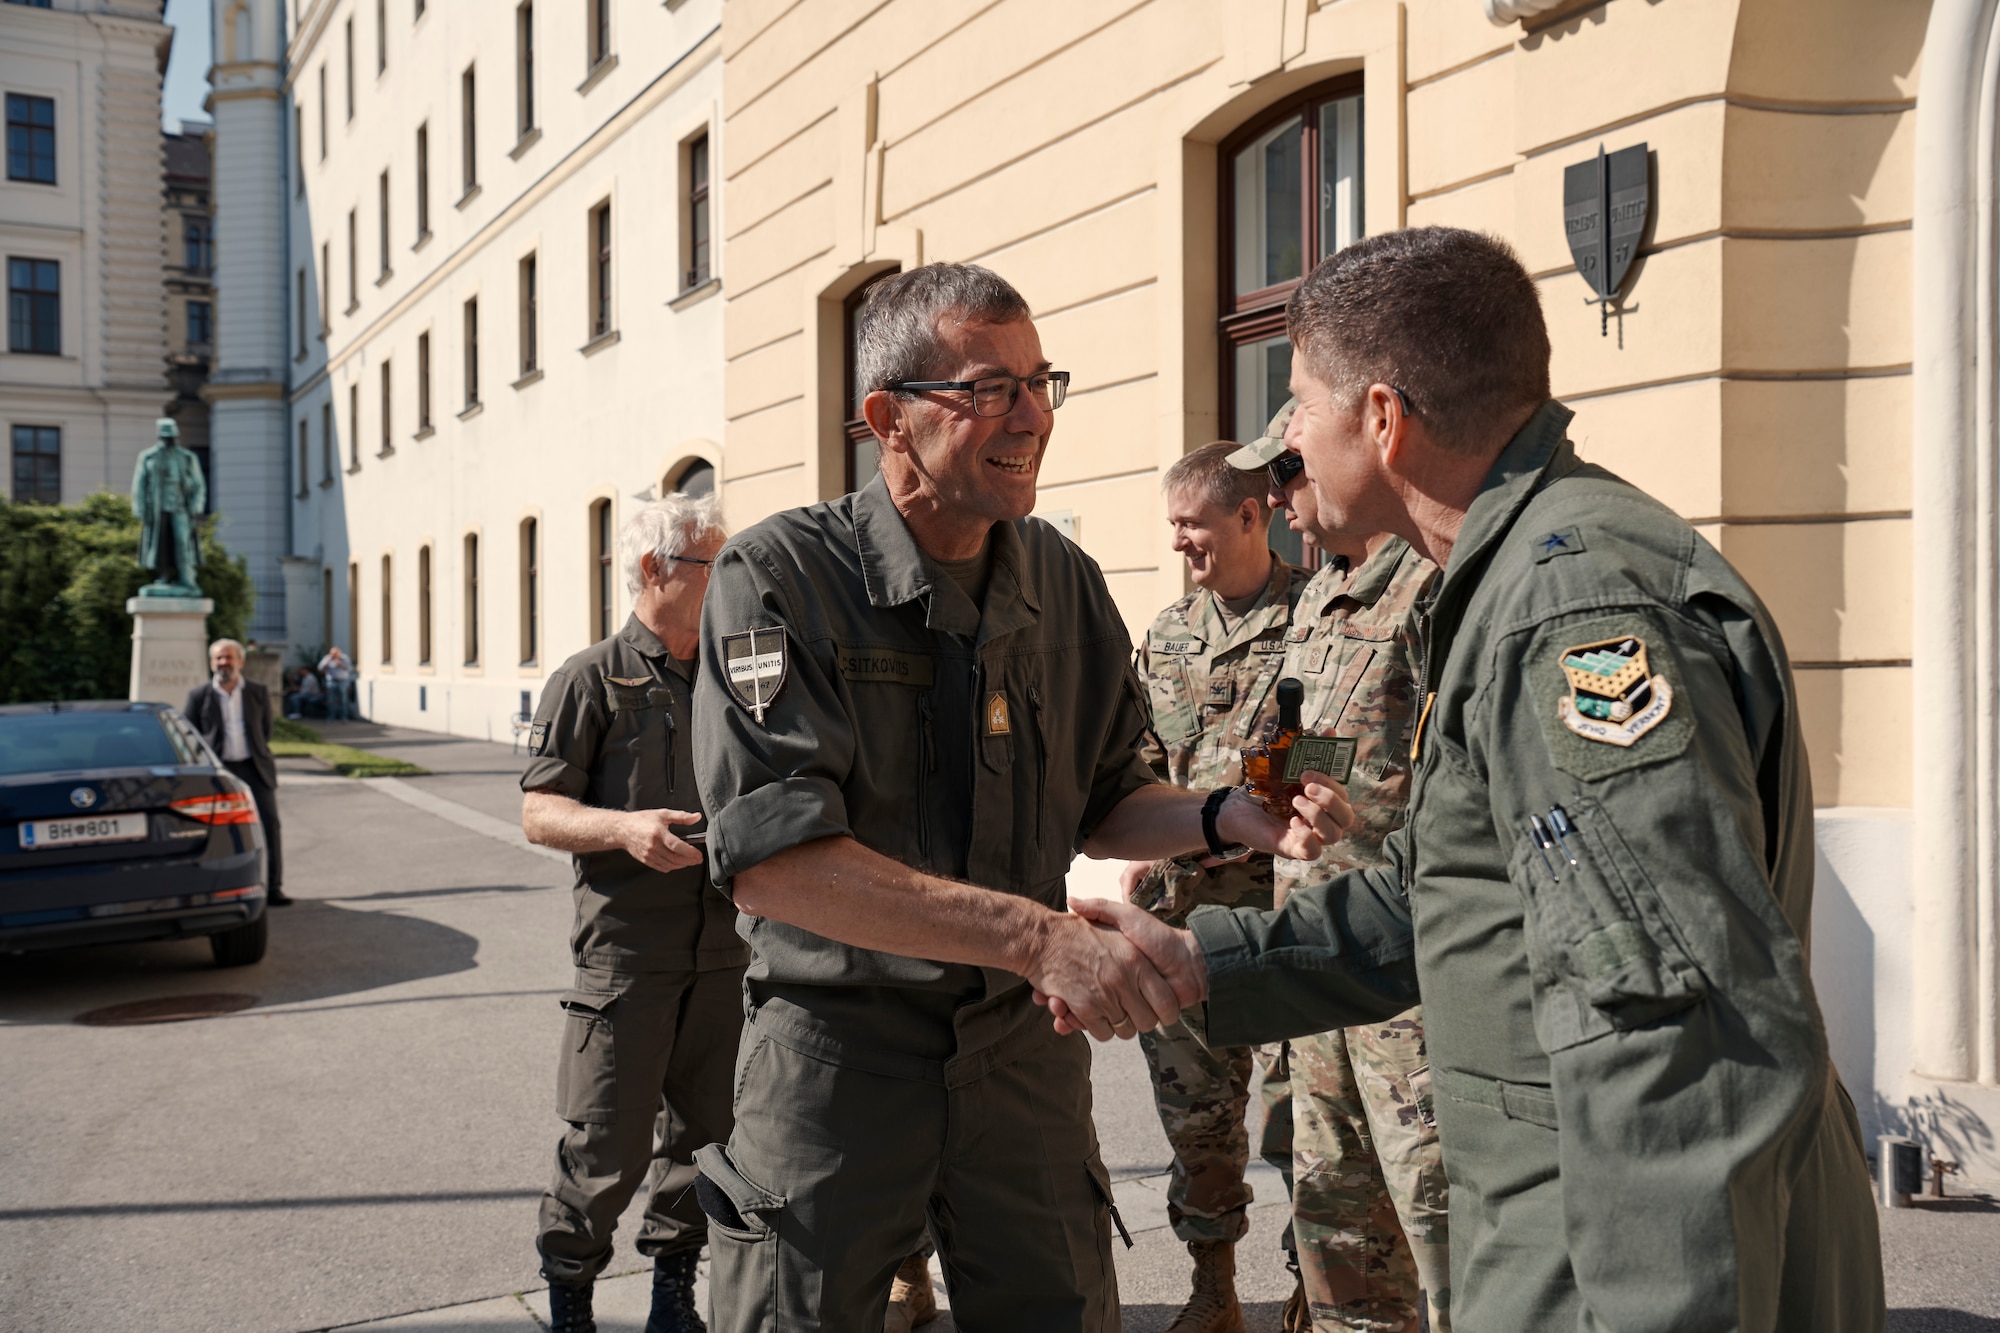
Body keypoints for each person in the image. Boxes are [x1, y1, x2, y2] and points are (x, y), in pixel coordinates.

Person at [1065, 227, 1886, 1330]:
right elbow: (1441, 890)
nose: (1290, 448)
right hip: (1561, 1240)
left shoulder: (1569, 611)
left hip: (1608, 1270)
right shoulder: (1507, 583)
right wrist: (1201, 958)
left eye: (1301, 410)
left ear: (1385, 421)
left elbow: (1674, 1040)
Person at [689, 262, 1346, 1333]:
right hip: (833, 1060)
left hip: (1020, 1055)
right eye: (987, 388)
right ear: (885, 418)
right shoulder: (778, 579)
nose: (1032, 416)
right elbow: (777, 861)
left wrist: (1224, 814)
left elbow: (1106, 799)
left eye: (1040, 382)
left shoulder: (1061, 580)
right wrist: (1039, 939)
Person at [1230, 402, 1451, 1330]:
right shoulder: (1319, 593)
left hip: (1403, 975)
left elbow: (1460, 788)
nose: (1278, 500)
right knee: (1332, 1217)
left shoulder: (1433, 587)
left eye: (1285, 473)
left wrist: (1367, 818)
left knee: (1438, 1221)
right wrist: (1267, 791)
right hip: (1316, 957)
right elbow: (1290, 739)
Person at [520, 493, 747, 1333]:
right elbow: (540, 812)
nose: (728, 578)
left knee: (704, 1139)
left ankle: (671, 1297)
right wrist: (624, 828)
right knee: (604, 1149)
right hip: (626, 960)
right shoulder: (589, 679)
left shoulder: (732, 675)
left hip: (724, 956)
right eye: (712, 564)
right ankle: (572, 1302)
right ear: (656, 570)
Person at [1122, 439, 1310, 1333]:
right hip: (1184, 923)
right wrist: (1150, 831)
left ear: (1251, 515)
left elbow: (1327, 757)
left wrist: (1234, 813)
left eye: (1192, 528)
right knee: (1197, 1120)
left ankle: (1321, 1278)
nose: (1180, 547)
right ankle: (1214, 1284)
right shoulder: (1168, 632)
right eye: (1172, 530)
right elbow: (1139, 760)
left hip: (1285, 917)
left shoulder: (1318, 616)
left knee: (1305, 1117)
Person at [184, 639, 288, 906]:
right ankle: (218, 890)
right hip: (221, 773)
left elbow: (265, 731)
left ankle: (274, 888)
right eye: (218, 658)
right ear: (211, 663)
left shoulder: (257, 691)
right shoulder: (199, 696)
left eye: (229, 658)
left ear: (240, 662)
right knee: (219, 831)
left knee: (270, 826)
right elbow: (191, 736)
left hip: (255, 769)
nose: (223, 663)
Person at [318, 646, 355, 722]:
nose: (334, 655)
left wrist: (340, 664)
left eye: (335, 653)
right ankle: (331, 717)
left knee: (343, 700)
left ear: (339, 653)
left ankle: (344, 717)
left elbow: (350, 669)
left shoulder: (345, 658)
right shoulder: (327, 658)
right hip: (331, 681)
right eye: (332, 653)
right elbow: (320, 668)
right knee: (331, 700)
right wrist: (327, 662)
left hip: (342, 681)